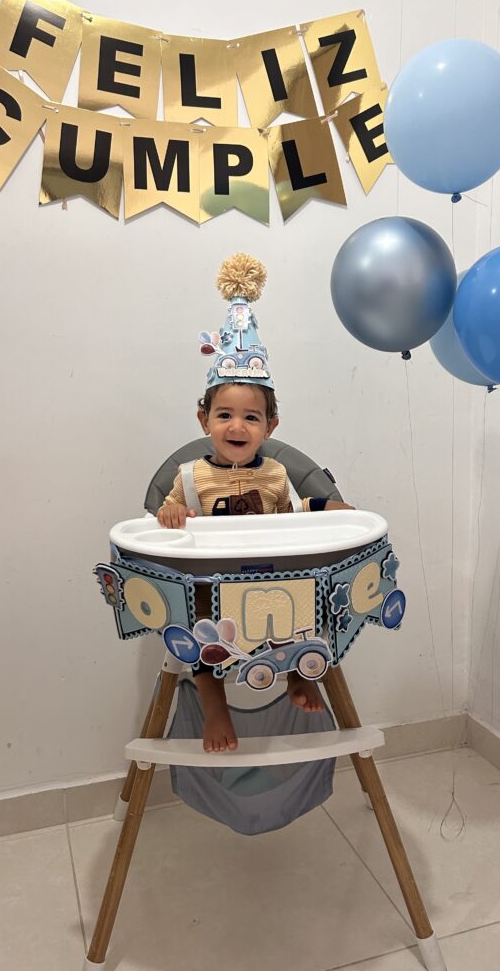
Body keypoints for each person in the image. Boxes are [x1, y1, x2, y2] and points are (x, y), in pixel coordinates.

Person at [156, 253, 353, 753]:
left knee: (303, 596)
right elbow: (167, 517)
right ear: (204, 420)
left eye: (251, 417)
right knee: (196, 620)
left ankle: (299, 672)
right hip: (212, 585)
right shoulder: (189, 476)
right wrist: (171, 513)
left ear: (270, 427)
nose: (237, 426)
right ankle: (214, 703)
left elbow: (290, 516)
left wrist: (329, 509)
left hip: (269, 578)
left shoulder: (276, 474)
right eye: (224, 415)